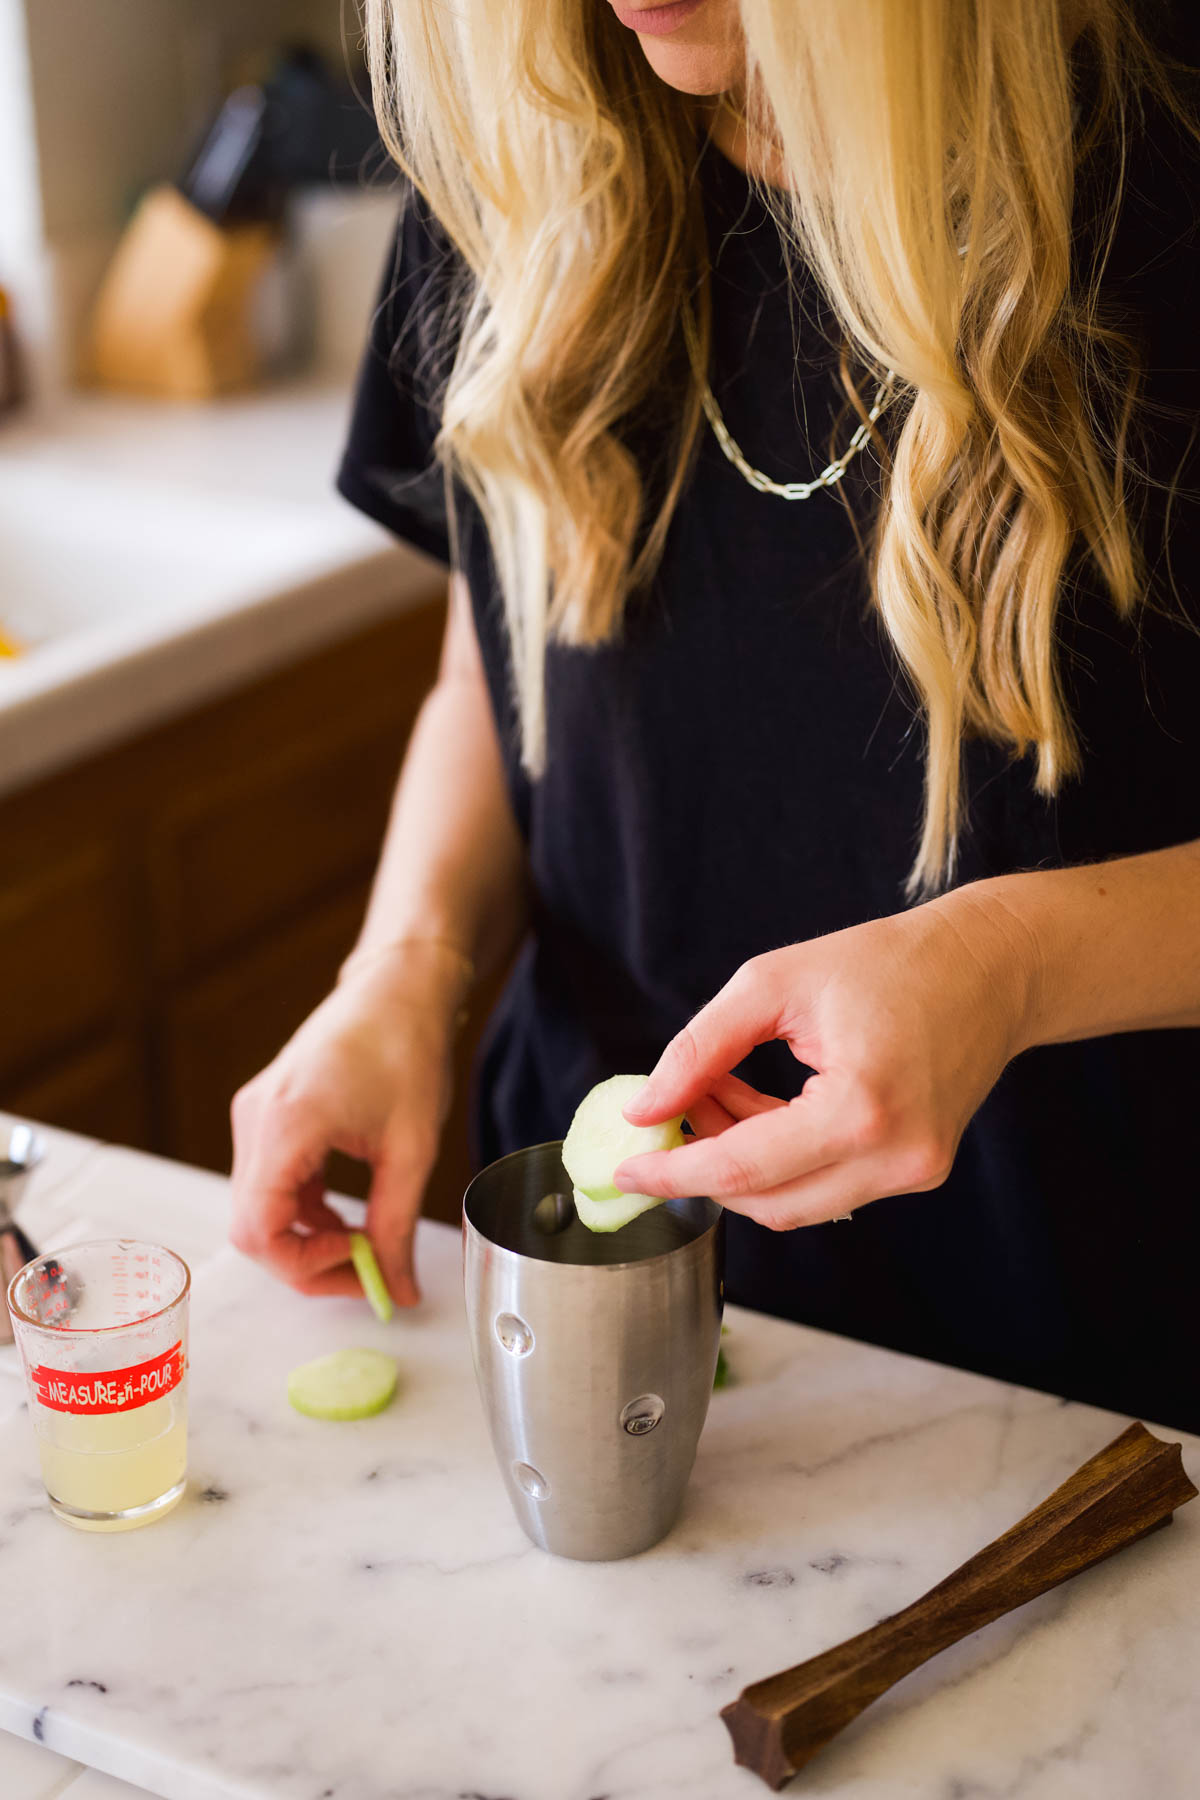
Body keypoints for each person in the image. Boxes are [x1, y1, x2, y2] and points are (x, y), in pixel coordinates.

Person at [230, 1, 1200, 1432]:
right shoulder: (530, 148)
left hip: (1089, 1401)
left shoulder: (1163, 156)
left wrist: (1010, 965)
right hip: (589, 1321)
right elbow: (500, 670)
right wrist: (405, 969)